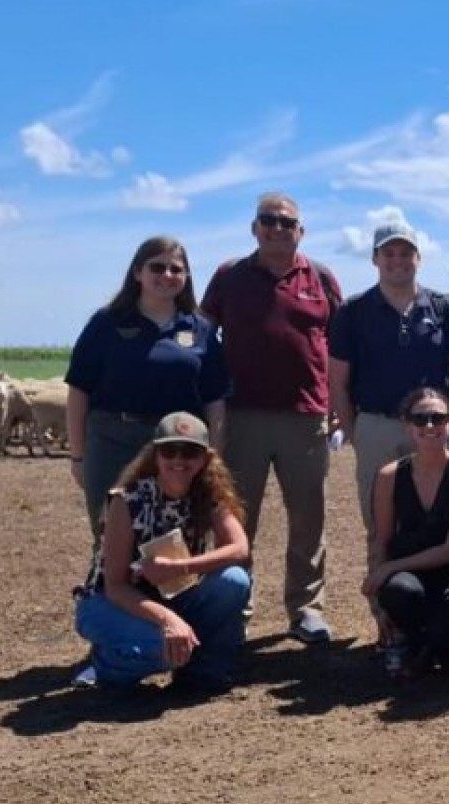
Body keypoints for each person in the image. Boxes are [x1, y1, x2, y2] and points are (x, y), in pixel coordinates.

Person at [201, 193, 341, 643]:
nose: (278, 228)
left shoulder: (320, 278)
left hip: (306, 417)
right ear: (254, 228)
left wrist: (340, 404)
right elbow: (202, 337)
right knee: (237, 519)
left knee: (308, 519)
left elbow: (340, 347)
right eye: (269, 220)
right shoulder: (229, 276)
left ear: (301, 231)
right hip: (242, 416)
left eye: (287, 222)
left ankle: (306, 609)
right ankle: (233, 611)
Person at [74, 412, 251, 693]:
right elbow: (115, 587)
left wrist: (180, 568)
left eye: (190, 452)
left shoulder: (207, 495)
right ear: (155, 455)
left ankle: (199, 672)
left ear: (205, 459)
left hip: (174, 596)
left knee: (234, 581)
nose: (179, 460)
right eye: (169, 451)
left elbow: (240, 548)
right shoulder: (126, 500)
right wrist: (169, 620)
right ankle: (106, 667)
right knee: (161, 646)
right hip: (110, 603)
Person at [65, 236, 229, 536]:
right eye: (157, 267)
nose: (167, 275)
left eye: (176, 269)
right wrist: (78, 455)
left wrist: (212, 455)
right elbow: (78, 390)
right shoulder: (107, 323)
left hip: (178, 446)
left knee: (176, 533)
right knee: (110, 534)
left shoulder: (200, 329)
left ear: (186, 276)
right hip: (113, 442)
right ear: (137, 272)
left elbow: (215, 400)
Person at [329, 223, 449, 541]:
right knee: (379, 521)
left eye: (406, 253)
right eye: (389, 253)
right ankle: (382, 574)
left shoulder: (444, 308)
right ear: (375, 259)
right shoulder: (352, 311)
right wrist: (356, 432)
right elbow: (338, 381)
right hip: (376, 425)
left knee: (436, 517)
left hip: (432, 426)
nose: (398, 260)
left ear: (419, 258)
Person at [361, 389, 449, 677]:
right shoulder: (389, 476)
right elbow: (381, 542)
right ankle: (416, 641)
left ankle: (426, 647)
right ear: (407, 424)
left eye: (438, 418)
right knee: (398, 592)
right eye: (420, 419)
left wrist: (391, 567)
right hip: (409, 576)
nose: (429, 425)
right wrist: (380, 606)